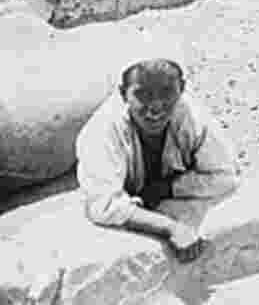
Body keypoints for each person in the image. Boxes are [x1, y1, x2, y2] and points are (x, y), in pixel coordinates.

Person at [75, 51, 238, 260]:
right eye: (143, 94)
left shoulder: (192, 116)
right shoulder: (102, 130)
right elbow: (104, 205)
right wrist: (171, 229)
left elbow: (226, 177)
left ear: (182, 89)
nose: (155, 107)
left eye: (167, 92)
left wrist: (169, 188)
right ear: (123, 94)